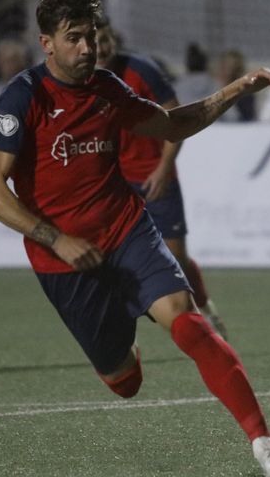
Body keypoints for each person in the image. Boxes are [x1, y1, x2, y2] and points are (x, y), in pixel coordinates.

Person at [0, 0, 270, 477]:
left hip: (127, 230)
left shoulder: (107, 89)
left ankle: (265, 445)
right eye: (74, 38)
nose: (88, 48)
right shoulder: (22, 99)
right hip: (65, 262)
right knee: (123, 382)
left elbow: (172, 124)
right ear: (47, 44)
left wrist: (240, 87)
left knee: (187, 322)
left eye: (92, 36)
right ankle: (125, 348)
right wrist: (55, 238)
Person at [94, 20, 229, 338]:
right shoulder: (80, 79)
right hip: (117, 184)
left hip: (156, 179)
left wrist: (162, 169)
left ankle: (206, 309)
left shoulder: (142, 70)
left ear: (114, 40)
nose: (99, 48)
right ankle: (126, 333)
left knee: (176, 258)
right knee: (114, 260)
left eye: (105, 40)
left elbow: (176, 121)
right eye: (93, 40)